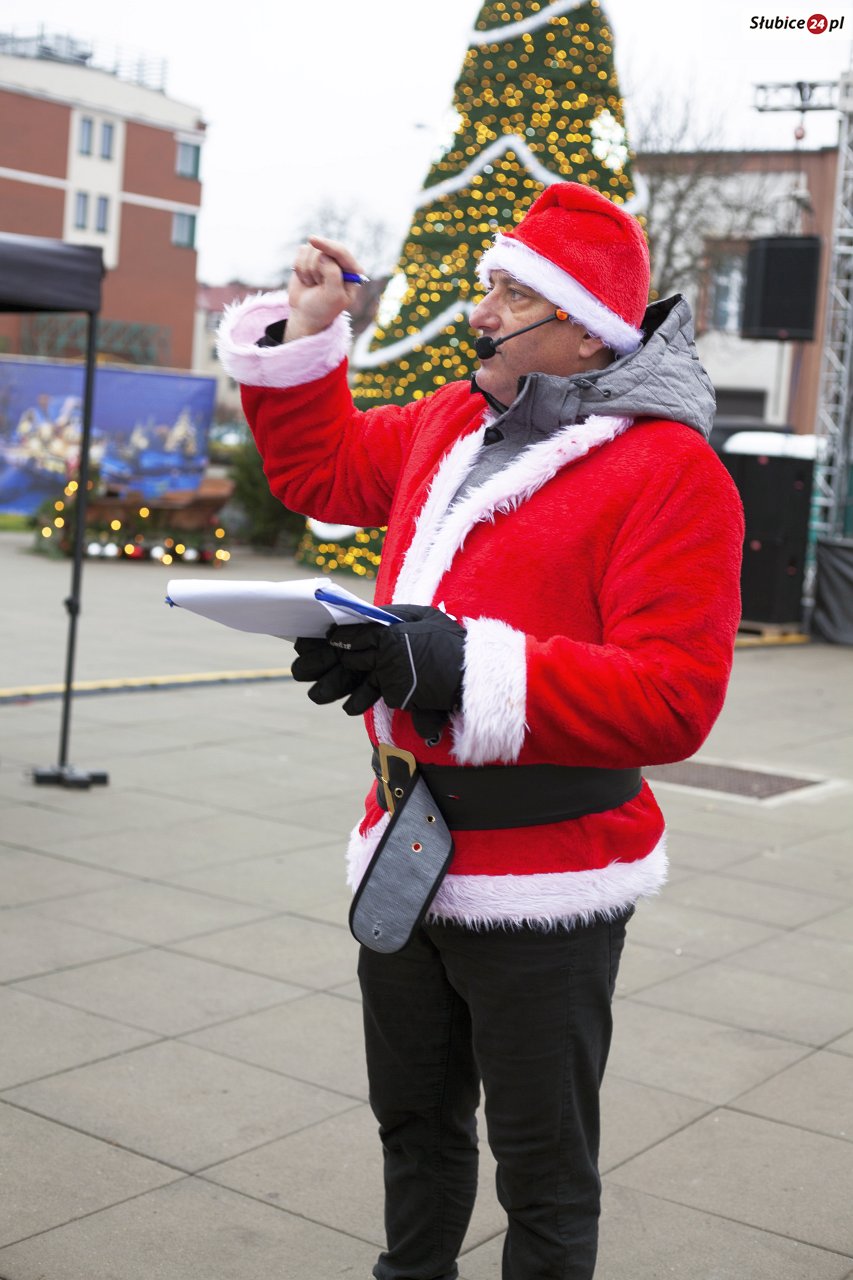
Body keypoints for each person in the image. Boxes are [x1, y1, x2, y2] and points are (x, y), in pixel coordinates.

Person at [217, 182, 744, 1280]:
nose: (480, 310)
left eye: (510, 293)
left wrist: (461, 663)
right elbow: (320, 470)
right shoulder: (451, 421)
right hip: (406, 844)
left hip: (548, 876)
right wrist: (306, 337)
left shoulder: (671, 470)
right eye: (488, 286)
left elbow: (674, 697)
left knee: (543, 1170)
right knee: (413, 1125)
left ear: (583, 327)